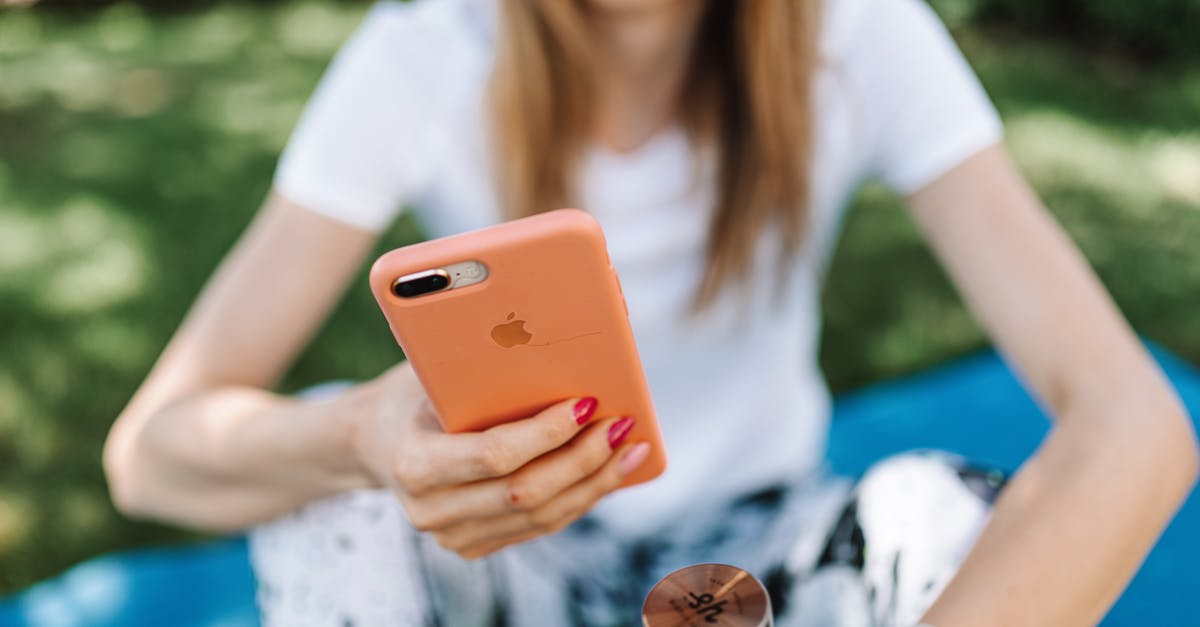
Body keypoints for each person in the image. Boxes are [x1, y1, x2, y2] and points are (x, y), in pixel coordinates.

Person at [102, 0, 1199, 625]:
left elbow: (1134, 422)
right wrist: (360, 438)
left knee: (945, 515)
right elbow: (149, 455)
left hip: (757, 565)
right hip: (516, 558)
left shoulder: (857, 32)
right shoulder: (426, 49)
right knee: (329, 489)